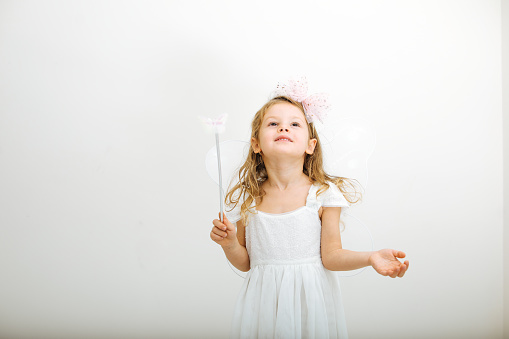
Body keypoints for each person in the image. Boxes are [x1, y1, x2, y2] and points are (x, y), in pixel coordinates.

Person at [210, 80, 409, 339]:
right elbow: (247, 262)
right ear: (256, 144)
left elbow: (332, 256)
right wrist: (229, 245)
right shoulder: (250, 198)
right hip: (264, 304)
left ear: (310, 146)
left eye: (295, 124)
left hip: (310, 304)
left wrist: (370, 257)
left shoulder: (323, 195)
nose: (283, 127)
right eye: (273, 123)